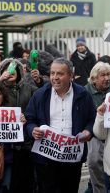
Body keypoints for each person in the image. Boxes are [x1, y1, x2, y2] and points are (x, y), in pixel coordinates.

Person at [25, 58, 96, 193]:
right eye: (52, 73)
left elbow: (92, 119)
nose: (55, 78)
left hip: (72, 158)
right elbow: (29, 119)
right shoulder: (40, 95)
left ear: (70, 75)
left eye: (60, 74)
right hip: (46, 158)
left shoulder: (83, 94)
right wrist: (32, 130)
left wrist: (88, 132)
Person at [0, 58, 38, 193]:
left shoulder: (28, 88)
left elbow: (42, 98)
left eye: (14, 68)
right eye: (7, 68)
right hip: (7, 146)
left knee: (28, 183)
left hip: (26, 143)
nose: (11, 70)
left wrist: (40, 80)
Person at [85, 62, 110, 193]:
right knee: (94, 163)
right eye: (103, 75)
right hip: (94, 136)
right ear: (94, 78)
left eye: (109, 74)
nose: (107, 78)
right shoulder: (85, 92)